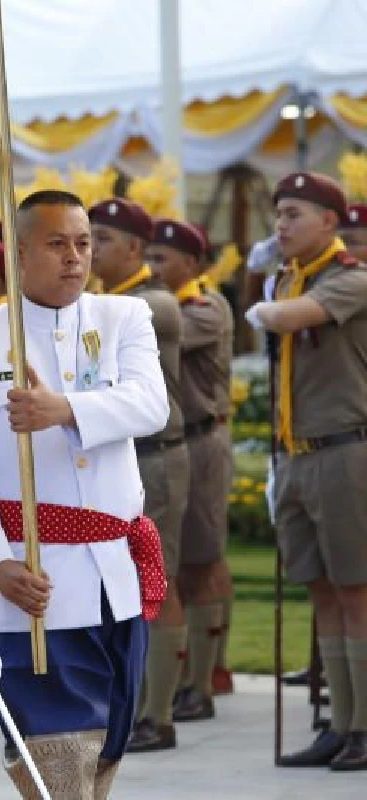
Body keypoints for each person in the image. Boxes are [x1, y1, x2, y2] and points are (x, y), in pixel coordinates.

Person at [0, 189, 167, 799]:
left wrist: (62, 409)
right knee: (58, 758)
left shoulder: (123, 318)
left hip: (117, 576)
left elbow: (151, 404)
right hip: (33, 583)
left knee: (107, 748)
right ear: (17, 255)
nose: (75, 258)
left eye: (83, 243)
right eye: (56, 244)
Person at [245, 172, 367, 770]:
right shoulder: (289, 278)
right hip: (295, 454)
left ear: (329, 221)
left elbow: (295, 317)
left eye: (294, 213)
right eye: (278, 214)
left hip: (344, 452)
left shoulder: (352, 279)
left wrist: (263, 296)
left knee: (356, 590)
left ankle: (364, 726)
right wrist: (269, 277)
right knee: (319, 590)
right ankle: (338, 723)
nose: (281, 225)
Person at [89, 198, 190, 753]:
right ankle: (134, 703)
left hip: (155, 452)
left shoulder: (153, 303)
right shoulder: (109, 303)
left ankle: (160, 712)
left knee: (159, 575)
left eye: (101, 239)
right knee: (123, 578)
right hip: (120, 455)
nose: (90, 251)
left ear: (135, 248)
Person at [145, 218, 234, 726]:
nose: (154, 268)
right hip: (180, 437)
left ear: (194, 265)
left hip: (201, 438)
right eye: (149, 257)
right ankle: (186, 675)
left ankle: (203, 679)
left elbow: (158, 333)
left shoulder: (205, 309)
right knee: (178, 561)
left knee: (202, 559)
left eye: (163, 259)